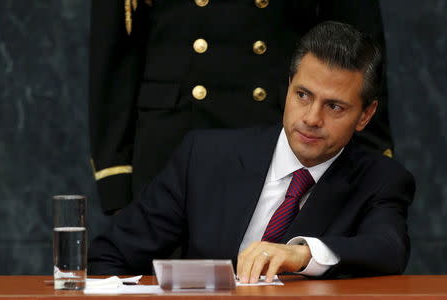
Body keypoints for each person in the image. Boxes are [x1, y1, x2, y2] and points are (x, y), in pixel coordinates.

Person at [88, 21, 415, 281]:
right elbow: (108, 256)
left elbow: (388, 248)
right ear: (288, 87)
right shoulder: (204, 157)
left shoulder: (380, 180)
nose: (312, 119)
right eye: (303, 95)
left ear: (366, 115)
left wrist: (302, 254)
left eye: (335, 106)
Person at [89, 0, 394, 215]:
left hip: (279, 141)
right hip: (171, 142)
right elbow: (115, 55)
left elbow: (360, 51)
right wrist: (115, 173)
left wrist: (372, 167)